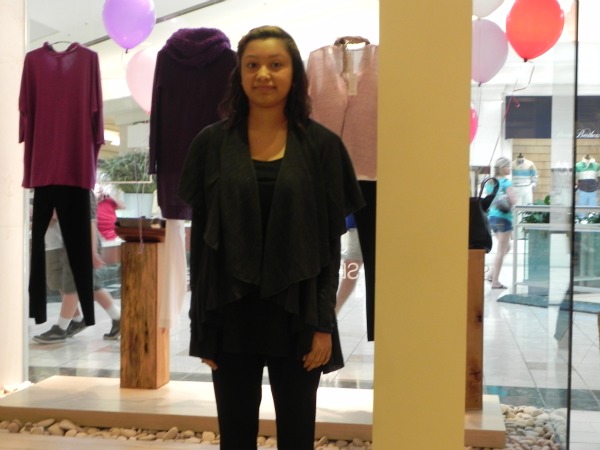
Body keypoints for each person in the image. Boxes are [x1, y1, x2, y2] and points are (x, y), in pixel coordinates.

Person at [178, 26, 364, 450]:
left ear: (294, 73)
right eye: (253, 65)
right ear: (239, 74)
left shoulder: (322, 147)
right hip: (229, 312)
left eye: (275, 64)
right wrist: (201, 326)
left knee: (297, 437)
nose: (263, 74)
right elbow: (202, 246)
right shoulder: (210, 144)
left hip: (298, 313)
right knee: (235, 437)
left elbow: (328, 248)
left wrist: (323, 325)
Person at [33, 191, 121, 344]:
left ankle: (61, 329)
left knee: (73, 286)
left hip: (82, 243)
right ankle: (118, 318)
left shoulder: (82, 191)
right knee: (90, 286)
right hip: (74, 243)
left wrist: (93, 252)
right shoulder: (71, 190)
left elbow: (90, 221)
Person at [486, 157, 517, 290]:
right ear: (502, 168)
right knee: (501, 250)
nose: (510, 168)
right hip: (504, 218)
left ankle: (491, 274)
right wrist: (516, 198)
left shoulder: (491, 183)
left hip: (492, 218)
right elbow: (513, 200)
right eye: (508, 166)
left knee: (507, 247)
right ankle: (495, 281)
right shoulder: (506, 182)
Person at [336, 214, 364, 314]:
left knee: (351, 264)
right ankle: (333, 312)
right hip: (357, 220)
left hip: (360, 220)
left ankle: (333, 313)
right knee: (351, 265)